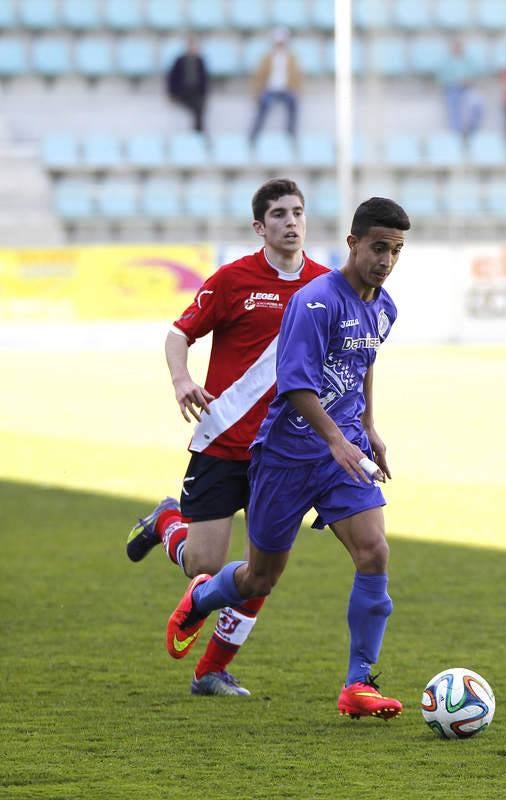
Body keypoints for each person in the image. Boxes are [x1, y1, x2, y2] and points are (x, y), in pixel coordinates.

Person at [166, 197, 411, 720]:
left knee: (375, 553)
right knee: (259, 578)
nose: (386, 260)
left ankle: (358, 683)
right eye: (378, 248)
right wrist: (336, 440)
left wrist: (366, 427)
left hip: (340, 452)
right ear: (353, 243)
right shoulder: (315, 301)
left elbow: (363, 359)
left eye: (396, 250)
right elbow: (297, 386)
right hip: (287, 456)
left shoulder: (384, 306)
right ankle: (202, 598)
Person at [126, 178, 330, 697]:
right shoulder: (233, 279)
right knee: (204, 569)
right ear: (260, 227)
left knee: (261, 573)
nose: (291, 221)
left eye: (298, 212)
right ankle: (167, 523)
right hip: (223, 441)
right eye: (280, 214)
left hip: (282, 453)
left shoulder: (326, 288)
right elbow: (179, 333)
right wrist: (182, 379)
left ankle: (211, 671)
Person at [249, 28, 301, 144]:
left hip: (286, 89)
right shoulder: (267, 57)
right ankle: (253, 136)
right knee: (263, 105)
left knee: (293, 103)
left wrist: (296, 90)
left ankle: (291, 135)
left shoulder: (291, 58)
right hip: (270, 89)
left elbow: (297, 76)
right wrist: (257, 92)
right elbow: (259, 75)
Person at [437, 38, 484, 138]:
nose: (457, 48)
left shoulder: (468, 60)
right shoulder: (446, 61)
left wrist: (468, 80)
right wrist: (455, 81)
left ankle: (473, 130)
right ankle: (456, 134)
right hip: (452, 89)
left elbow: (476, 72)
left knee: (477, 104)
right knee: (454, 108)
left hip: (467, 88)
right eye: (455, 46)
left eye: (459, 46)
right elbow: (441, 77)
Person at [166, 36, 209, 133]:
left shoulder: (200, 60)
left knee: (199, 107)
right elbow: (172, 78)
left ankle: (198, 132)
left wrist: (204, 95)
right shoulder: (179, 60)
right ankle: (197, 133)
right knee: (197, 108)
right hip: (183, 92)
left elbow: (204, 80)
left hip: (196, 92)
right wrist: (171, 93)